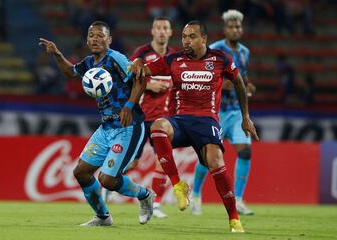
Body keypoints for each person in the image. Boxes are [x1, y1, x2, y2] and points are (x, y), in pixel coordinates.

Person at [128, 20, 259, 233]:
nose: (186, 41)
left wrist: (245, 117)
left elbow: (239, 83)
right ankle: (178, 185)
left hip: (207, 121)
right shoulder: (173, 59)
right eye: (184, 37)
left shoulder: (221, 59)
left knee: (216, 161)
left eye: (191, 36)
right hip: (180, 120)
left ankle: (234, 218)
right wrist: (135, 65)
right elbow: (143, 70)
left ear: (204, 39)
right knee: (158, 127)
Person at [38, 21, 155, 227]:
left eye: (100, 36)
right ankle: (103, 217)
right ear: (87, 39)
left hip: (128, 126)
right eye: (92, 35)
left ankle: (145, 195)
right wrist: (56, 54)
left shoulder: (115, 58)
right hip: (106, 127)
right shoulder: (90, 63)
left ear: (109, 40)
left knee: (107, 180)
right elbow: (71, 72)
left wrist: (129, 105)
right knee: (81, 173)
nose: (95, 39)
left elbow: (141, 78)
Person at [190, 9, 257, 216]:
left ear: (241, 28)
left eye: (238, 26)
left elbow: (241, 78)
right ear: (225, 28)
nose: (235, 29)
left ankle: (237, 199)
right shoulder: (215, 50)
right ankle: (196, 195)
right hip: (216, 111)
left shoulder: (245, 52)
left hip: (236, 111)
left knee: (245, 152)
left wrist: (248, 86)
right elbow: (202, 76)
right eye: (231, 26)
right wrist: (221, 85)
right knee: (207, 157)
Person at [129, 16, 174, 218]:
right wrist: (149, 85)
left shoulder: (174, 56)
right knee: (132, 162)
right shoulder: (142, 53)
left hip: (163, 120)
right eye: (158, 27)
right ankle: (107, 182)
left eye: (165, 28)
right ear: (152, 31)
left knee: (162, 159)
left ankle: (155, 204)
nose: (162, 31)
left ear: (171, 32)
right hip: (140, 117)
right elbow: (128, 77)